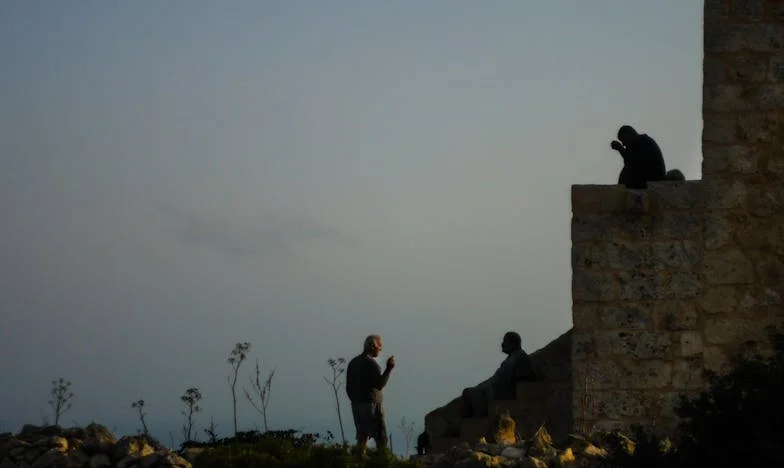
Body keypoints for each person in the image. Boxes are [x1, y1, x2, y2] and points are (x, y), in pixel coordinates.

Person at [461, 331, 536, 418]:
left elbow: (522, 378)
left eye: (505, 341)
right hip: (494, 389)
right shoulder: (512, 357)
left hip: (499, 393)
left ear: (512, 343)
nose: (502, 344)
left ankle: (475, 423)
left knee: (469, 393)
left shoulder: (519, 357)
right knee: (469, 393)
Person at [346, 334, 395, 454]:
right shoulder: (371, 364)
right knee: (380, 438)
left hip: (357, 405)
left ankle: (359, 460)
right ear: (373, 346)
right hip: (372, 406)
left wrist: (356, 401)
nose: (381, 349)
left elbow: (348, 388)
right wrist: (389, 368)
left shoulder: (353, 363)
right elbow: (380, 384)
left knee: (362, 438)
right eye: (379, 346)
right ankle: (383, 461)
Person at [611, 125, 667, 189]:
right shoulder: (641, 141)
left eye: (623, 140)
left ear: (628, 135)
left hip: (650, 181)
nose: (623, 144)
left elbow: (633, 163)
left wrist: (620, 148)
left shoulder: (641, 141)